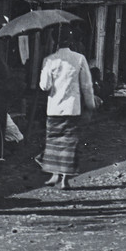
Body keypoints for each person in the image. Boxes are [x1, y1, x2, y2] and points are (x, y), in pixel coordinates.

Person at [38, 24, 97, 188]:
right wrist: (90, 104)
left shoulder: (49, 60)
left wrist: (46, 73)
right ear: (70, 40)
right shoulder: (79, 58)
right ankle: (63, 179)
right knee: (69, 143)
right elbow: (86, 85)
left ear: (54, 41)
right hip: (72, 108)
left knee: (53, 142)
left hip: (54, 108)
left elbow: (45, 86)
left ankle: (54, 174)